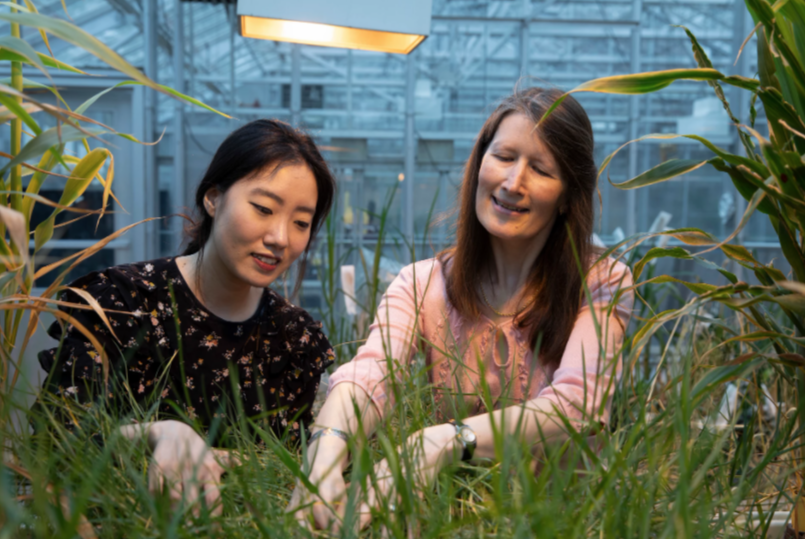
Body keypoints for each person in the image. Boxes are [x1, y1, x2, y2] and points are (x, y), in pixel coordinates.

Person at [288, 87, 635, 529]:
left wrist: (441, 442)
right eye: (505, 157)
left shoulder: (602, 281)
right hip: (448, 516)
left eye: (541, 169)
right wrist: (324, 450)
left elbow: (578, 403)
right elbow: (372, 374)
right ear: (479, 163)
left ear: (568, 196)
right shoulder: (421, 283)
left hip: (558, 521)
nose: (513, 182)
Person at [36, 119, 337, 513]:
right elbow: (54, 437)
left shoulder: (295, 339)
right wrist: (159, 434)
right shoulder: (120, 302)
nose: (280, 237)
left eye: (301, 223)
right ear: (213, 199)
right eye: (263, 208)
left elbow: (296, 470)